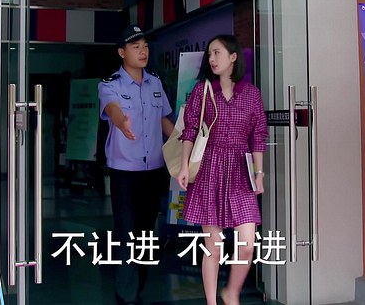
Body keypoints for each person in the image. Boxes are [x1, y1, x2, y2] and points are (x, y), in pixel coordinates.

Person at [176, 35, 267, 305]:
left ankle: (231, 292)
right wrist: (184, 166)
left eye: (217, 53)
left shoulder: (251, 94)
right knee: (213, 246)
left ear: (233, 56)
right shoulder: (202, 91)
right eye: (210, 54)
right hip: (210, 168)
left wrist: (259, 174)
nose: (212, 59)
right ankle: (212, 302)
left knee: (247, 243)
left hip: (241, 169)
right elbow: (190, 131)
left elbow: (258, 136)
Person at [98, 24, 174, 305]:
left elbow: (164, 120)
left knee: (145, 233)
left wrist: (185, 144)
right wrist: (122, 123)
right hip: (125, 173)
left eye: (145, 47)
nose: (143, 52)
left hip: (153, 171)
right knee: (127, 232)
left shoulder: (155, 83)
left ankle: (137, 287)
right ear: (122, 52)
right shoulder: (110, 84)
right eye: (135, 47)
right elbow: (113, 110)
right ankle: (126, 296)